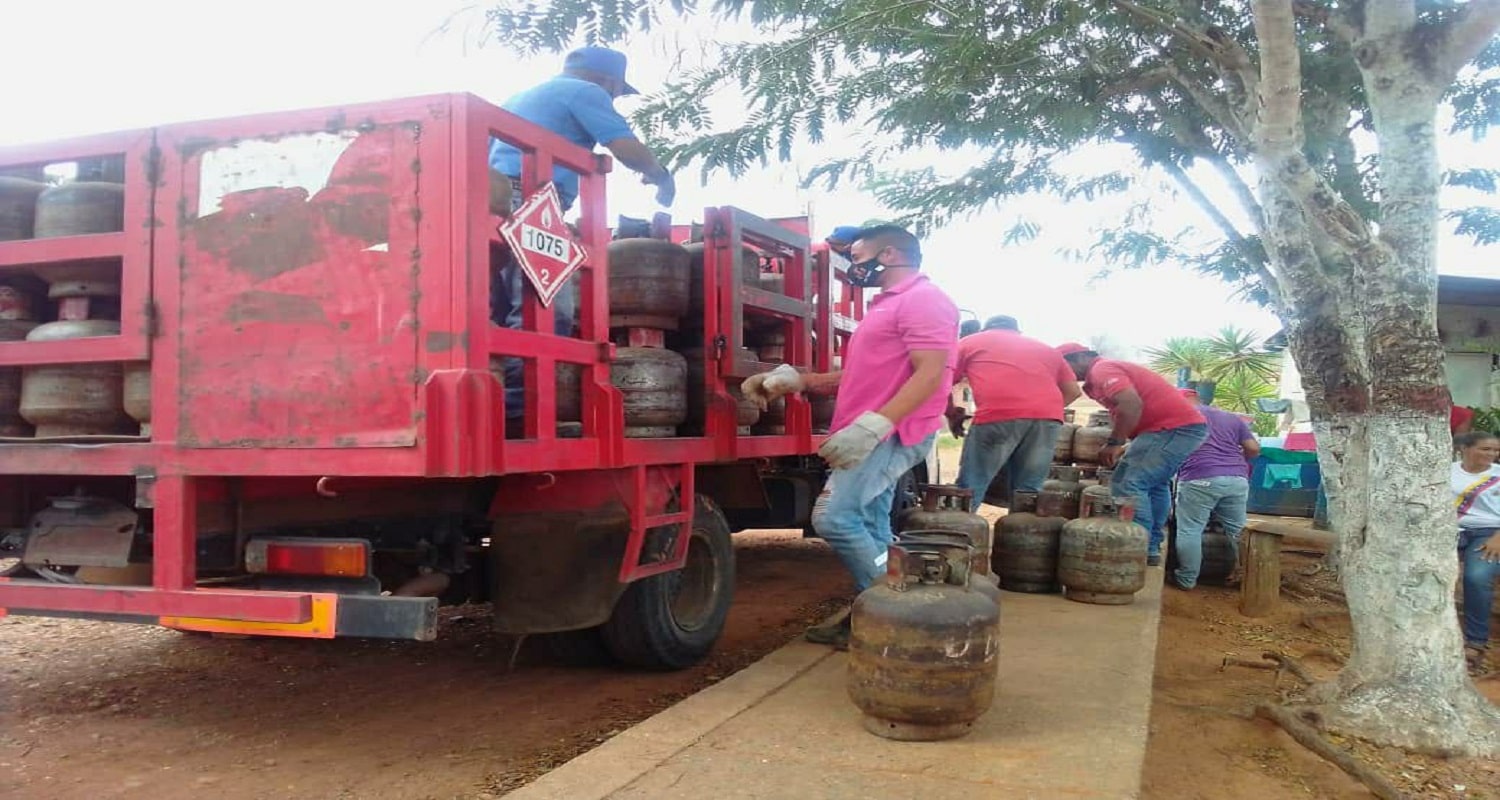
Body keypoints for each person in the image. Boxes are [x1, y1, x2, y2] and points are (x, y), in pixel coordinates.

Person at [742, 225, 958, 649]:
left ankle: (896, 615)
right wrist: (799, 381)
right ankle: (879, 601)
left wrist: (874, 426)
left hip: (891, 432)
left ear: (889, 254)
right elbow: (862, 375)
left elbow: (931, 374)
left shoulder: (923, 299)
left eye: (857, 259)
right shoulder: (887, 305)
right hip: (874, 429)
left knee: (835, 518)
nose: (853, 267)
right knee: (872, 523)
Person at [486, 46, 676, 438]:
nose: (614, 98)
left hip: (495, 201)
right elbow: (624, 146)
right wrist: (659, 174)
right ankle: (518, 414)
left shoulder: (521, 97)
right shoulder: (586, 92)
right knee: (547, 310)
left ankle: (491, 406)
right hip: (532, 200)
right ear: (609, 81)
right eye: (617, 92)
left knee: (501, 308)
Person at [1056, 343, 1208, 565]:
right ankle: (1150, 548)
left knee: (1128, 483)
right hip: (1177, 428)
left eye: (1064, 365)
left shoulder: (1102, 369)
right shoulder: (1098, 376)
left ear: (1080, 357)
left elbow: (1130, 403)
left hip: (1171, 428)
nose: (1063, 372)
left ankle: (1137, 550)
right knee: (1154, 485)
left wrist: (1115, 442)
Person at [949, 315, 1081, 504]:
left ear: (986, 329)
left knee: (972, 483)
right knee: (1028, 490)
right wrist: (1043, 411)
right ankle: (1023, 521)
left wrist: (951, 413)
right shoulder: (1047, 349)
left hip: (998, 415)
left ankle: (962, 521)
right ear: (1017, 331)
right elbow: (1073, 391)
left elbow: (942, 381)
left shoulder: (970, 342)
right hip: (1048, 419)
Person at [1170, 388, 1260, 590]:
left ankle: (1186, 580)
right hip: (1237, 478)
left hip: (1199, 477)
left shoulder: (1180, 416)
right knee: (1238, 531)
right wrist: (1237, 462)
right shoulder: (1231, 418)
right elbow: (1253, 448)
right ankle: (1250, 579)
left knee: (1190, 529)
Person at [1453, 430, 1500, 675]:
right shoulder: (1446, 471)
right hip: (1448, 530)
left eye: (1495, 450)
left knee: (1477, 577)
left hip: (1489, 533)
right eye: (1485, 449)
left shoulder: (1497, 475)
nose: (1492, 454)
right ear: (1465, 448)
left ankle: (1475, 643)